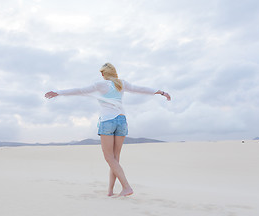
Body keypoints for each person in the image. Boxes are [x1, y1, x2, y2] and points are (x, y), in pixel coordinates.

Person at [45, 63, 171, 197]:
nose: (101, 75)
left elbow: (80, 90)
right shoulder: (122, 83)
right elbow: (140, 89)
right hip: (122, 120)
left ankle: (126, 187)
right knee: (115, 159)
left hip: (108, 121)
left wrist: (58, 92)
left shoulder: (101, 84)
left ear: (104, 73)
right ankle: (110, 191)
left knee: (109, 158)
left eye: (102, 73)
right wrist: (161, 92)